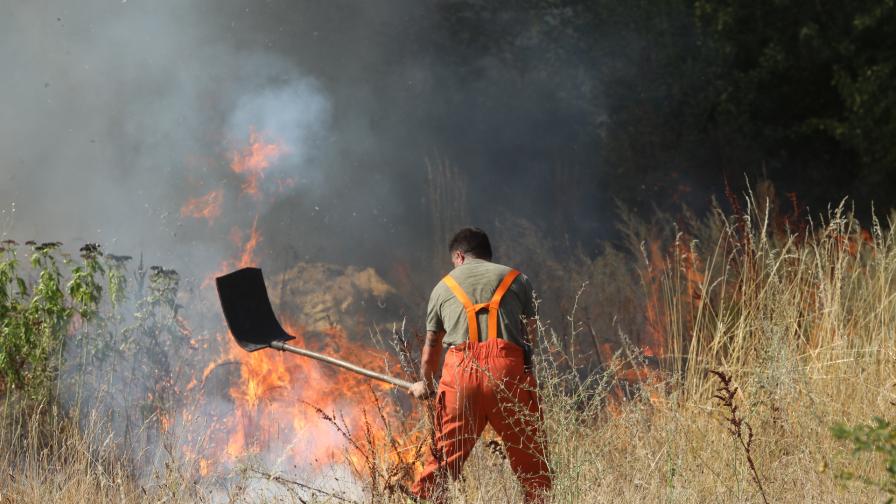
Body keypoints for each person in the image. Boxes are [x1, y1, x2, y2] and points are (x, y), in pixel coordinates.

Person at [409, 227, 552, 503]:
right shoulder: (517, 279)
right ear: (487, 255)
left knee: (440, 465)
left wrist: (424, 385)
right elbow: (531, 336)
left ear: (459, 256)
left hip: (460, 378)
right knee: (534, 468)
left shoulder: (443, 287)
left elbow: (431, 349)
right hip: (508, 375)